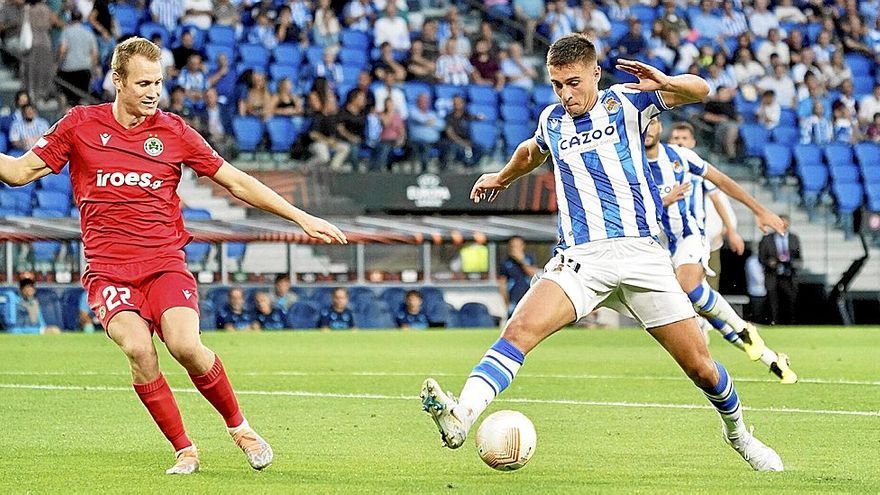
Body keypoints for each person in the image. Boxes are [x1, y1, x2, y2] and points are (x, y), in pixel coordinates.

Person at [420, 34, 784, 472]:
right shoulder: (552, 120)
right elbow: (530, 152)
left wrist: (665, 81)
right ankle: (462, 416)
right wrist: (501, 177)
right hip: (581, 258)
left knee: (703, 369)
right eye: (556, 85)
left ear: (595, 72)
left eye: (573, 83)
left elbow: (701, 90)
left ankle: (740, 435)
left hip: (641, 256)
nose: (565, 94)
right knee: (517, 332)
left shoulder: (627, 102)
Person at [0, 37, 346, 474]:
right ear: (117, 81)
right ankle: (184, 449)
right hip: (108, 274)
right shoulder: (80, 125)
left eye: (159, 83)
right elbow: (16, 172)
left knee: (185, 345)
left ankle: (240, 428)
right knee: (139, 349)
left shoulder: (173, 131)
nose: (153, 92)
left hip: (164, 265)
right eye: (143, 82)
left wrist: (299, 216)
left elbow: (236, 182)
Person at [645, 118, 797, 384]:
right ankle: (770, 358)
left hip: (691, 237)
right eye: (643, 123)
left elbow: (722, 185)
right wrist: (664, 200)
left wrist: (754, 213)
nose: (648, 127)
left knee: (689, 286)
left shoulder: (681, 159)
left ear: (661, 128)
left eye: (653, 121)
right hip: (658, 249)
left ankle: (742, 327)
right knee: (706, 309)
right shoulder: (631, 163)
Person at [759, 215, 801, 325]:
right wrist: (770, 262)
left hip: (789, 275)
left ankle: (790, 324)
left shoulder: (793, 238)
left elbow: (798, 257)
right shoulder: (767, 239)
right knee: (773, 301)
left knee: (790, 301)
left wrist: (792, 263)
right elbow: (761, 258)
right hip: (772, 275)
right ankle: (774, 322)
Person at [57, 10, 99, 106]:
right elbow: (94, 54)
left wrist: (57, 64)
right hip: (84, 70)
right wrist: (94, 70)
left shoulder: (66, 31)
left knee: (69, 99)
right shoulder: (89, 33)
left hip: (68, 69)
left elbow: (62, 50)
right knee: (82, 98)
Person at [498, 236, 537, 317]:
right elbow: (502, 284)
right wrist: (506, 302)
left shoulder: (529, 259)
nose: (514, 249)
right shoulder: (506, 262)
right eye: (512, 246)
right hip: (514, 299)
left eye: (517, 246)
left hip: (529, 297)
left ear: (522, 246)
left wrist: (521, 260)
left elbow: (533, 274)